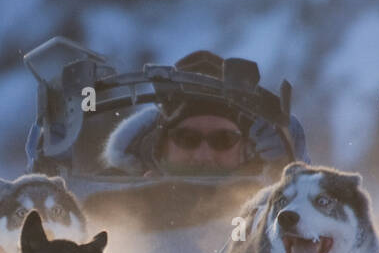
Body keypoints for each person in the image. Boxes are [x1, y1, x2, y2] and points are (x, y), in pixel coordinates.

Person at [101, 50, 305, 176]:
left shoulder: (268, 210)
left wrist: (287, 167)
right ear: (160, 145)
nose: (203, 156)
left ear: (246, 148)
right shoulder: (113, 198)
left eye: (223, 140)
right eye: (187, 139)